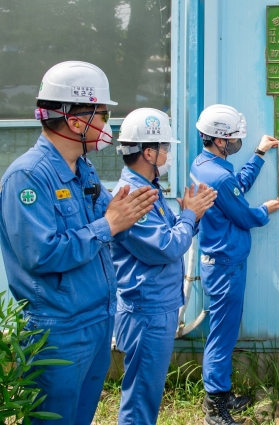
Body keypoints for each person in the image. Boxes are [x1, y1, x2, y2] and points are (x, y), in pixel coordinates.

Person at [0, 61, 158, 424]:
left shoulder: (83, 168)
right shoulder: (27, 177)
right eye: (102, 116)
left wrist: (125, 216)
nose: (107, 127)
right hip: (58, 329)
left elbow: (110, 218)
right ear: (75, 121)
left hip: (98, 319)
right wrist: (108, 225)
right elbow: (41, 254)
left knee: (81, 415)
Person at [109, 108, 217, 424]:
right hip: (147, 311)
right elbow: (167, 246)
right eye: (165, 148)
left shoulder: (149, 191)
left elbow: (173, 235)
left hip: (157, 307)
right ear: (148, 151)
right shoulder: (131, 197)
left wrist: (189, 217)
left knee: (147, 395)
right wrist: (189, 215)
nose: (168, 154)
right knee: (140, 400)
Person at [189, 104, 279, 425]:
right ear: (219, 140)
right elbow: (243, 213)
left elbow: (236, 187)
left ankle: (222, 393)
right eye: (232, 139)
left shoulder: (205, 165)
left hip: (220, 261)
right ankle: (215, 408)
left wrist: (258, 154)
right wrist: (265, 210)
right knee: (223, 334)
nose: (234, 143)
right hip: (225, 265)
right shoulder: (217, 173)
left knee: (224, 330)